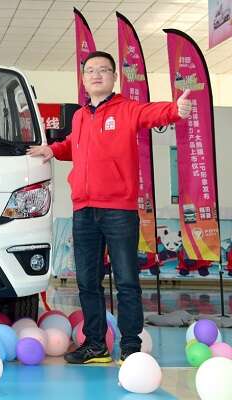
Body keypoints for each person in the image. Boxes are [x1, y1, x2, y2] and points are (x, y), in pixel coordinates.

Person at [28, 51, 191, 364]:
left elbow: (153, 113)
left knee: (126, 281)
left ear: (114, 77)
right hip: (84, 209)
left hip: (118, 210)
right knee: (87, 281)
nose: (96, 75)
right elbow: (75, 145)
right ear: (84, 78)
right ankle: (95, 345)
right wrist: (52, 149)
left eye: (103, 70)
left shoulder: (127, 109)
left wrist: (176, 110)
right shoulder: (80, 116)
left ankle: (130, 346)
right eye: (90, 70)